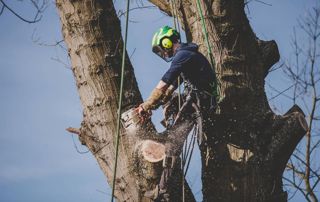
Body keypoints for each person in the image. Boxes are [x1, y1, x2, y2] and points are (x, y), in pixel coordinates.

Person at [137, 25, 217, 201]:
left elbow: (165, 81)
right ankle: (169, 133)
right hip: (200, 101)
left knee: (173, 143)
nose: (163, 53)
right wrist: (153, 106)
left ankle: (163, 189)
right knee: (173, 102)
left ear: (166, 41)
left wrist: (146, 105)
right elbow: (169, 89)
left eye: (161, 49)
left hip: (199, 102)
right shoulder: (188, 56)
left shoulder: (183, 55)